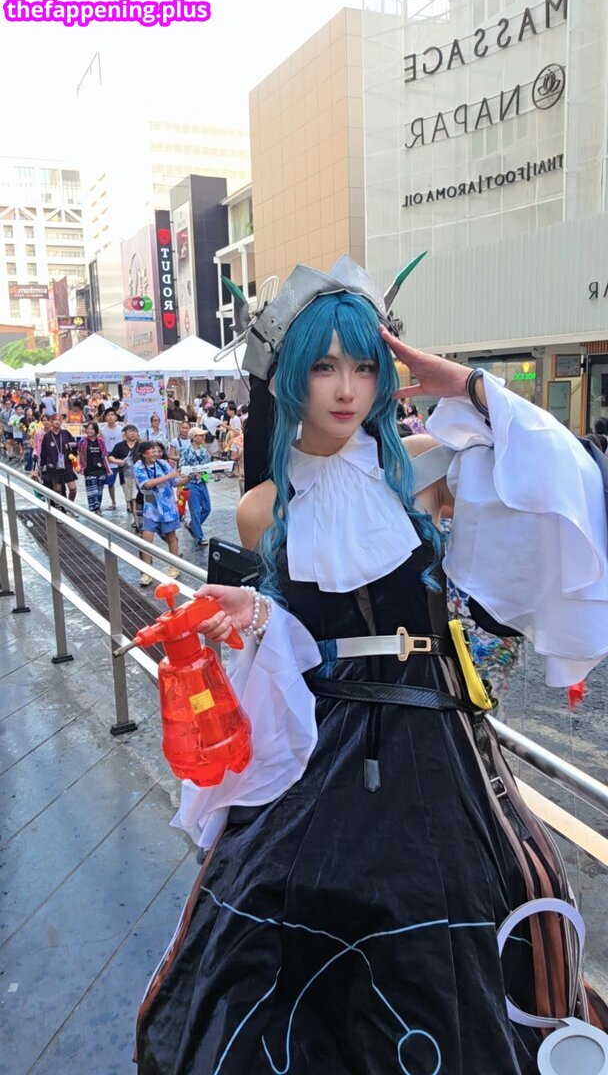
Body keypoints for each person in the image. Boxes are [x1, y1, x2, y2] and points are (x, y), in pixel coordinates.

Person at [135, 263, 608, 1074]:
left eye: (363, 365)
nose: (348, 389)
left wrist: (471, 387)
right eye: (325, 366)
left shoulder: (422, 467)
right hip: (321, 739)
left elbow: (561, 477)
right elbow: (298, 641)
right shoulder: (262, 508)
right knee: (288, 911)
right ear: (291, 375)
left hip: (431, 729)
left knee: (472, 904)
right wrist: (256, 616)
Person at [133, 441, 187, 586]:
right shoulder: (139, 466)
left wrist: (189, 478)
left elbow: (175, 482)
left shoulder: (163, 464)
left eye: (156, 450)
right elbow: (147, 484)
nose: (155, 453)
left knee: (171, 537)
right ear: (144, 454)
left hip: (167, 507)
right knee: (146, 538)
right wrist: (169, 476)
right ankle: (146, 571)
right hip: (151, 508)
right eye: (152, 450)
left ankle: (174, 566)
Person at [178, 427, 212, 546]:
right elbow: (182, 467)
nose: (202, 437)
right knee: (195, 510)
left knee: (207, 508)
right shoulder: (186, 451)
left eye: (203, 435)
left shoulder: (204, 451)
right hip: (191, 483)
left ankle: (193, 525)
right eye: (200, 435)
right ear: (194, 437)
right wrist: (191, 474)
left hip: (202, 482)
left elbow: (208, 467)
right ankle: (199, 536)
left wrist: (204, 475)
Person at [108, 423, 141, 528]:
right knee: (130, 499)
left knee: (135, 498)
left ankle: (137, 521)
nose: (133, 433)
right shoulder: (120, 446)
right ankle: (135, 518)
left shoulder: (141, 445)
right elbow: (110, 457)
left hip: (139, 477)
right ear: (125, 434)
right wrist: (118, 461)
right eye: (130, 431)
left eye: (135, 431)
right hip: (125, 476)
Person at [39, 412, 77, 500]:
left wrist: (71, 446)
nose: (57, 422)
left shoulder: (66, 433)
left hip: (66, 465)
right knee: (57, 490)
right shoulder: (47, 436)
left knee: (73, 489)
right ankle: (59, 507)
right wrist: (42, 466)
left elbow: (75, 444)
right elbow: (43, 453)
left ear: (62, 421)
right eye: (55, 420)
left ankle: (69, 505)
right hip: (53, 467)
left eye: (59, 420)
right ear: (51, 422)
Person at [77, 420, 112, 514]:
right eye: (88, 428)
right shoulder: (82, 441)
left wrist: (108, 469)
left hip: (101, 469)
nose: (89, 431)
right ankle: (93, 508)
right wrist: (78, 466)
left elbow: (105, 456)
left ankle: (98, 508)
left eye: (92, 429)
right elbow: (79, 454)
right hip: (89, 469)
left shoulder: (100, 441)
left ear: (96, 431)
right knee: (92, 491)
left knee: (99, 491)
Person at [99, 409, 124, 509]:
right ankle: (113, 502)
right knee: (110, 483)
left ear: (116, 417)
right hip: (108, 459)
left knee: (125, 483)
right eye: (108, 415)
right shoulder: (102, 430)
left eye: (112, 415)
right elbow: (101, 445)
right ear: (105, 417)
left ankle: (129, 503)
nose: (110, 417)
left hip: (120, 459)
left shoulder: (121, 429)